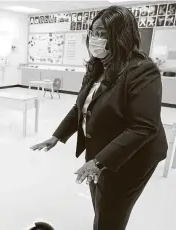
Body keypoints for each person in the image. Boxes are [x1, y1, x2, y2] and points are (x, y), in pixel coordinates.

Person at [31, 6, 167, 230]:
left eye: (103, 33)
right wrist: (57, 136)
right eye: (93, 32)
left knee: (111, 213)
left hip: (133, 156)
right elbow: (81, 107)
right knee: (101, 201)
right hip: (101, 149)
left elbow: (143, 127)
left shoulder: (142, 71)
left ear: (121, 35)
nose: (95, 38)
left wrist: (99, 161)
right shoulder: (97, 65)